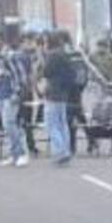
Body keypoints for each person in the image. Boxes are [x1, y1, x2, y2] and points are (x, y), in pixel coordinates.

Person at [0, 28, 29, 167]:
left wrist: (17, 93)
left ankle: (21, 153)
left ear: (2, 41)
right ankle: (13, 154)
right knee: (6, 125)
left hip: (10, 95)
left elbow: (20, 76)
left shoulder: (11, 56)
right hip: (1, 94)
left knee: (10, 124)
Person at [40, 31, 76, 166]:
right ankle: (65, 149)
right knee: (62, 123)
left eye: (45, 42)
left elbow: (46, 72)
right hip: (63, 92)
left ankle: (59, 151)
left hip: (52, 92)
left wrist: (42, 57)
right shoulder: (64, 54)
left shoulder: (52, 55)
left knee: (51, 124)